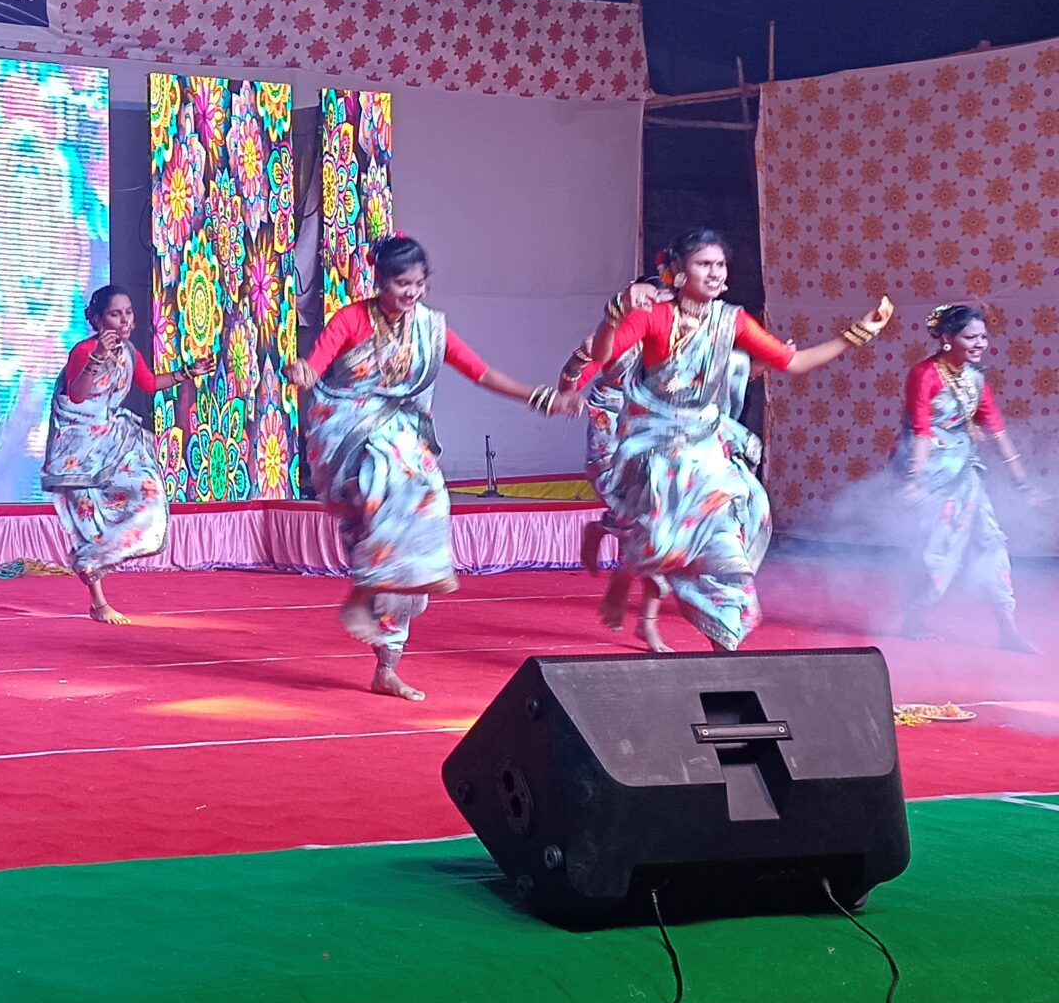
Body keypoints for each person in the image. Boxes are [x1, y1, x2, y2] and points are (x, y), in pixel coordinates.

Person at [565, 228, 892, 651]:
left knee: (729, 560)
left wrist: (854, 334)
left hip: (707, 452)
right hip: (653, 448)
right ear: (679, 271)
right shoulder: (652, 317)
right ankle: (626, 569)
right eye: (704, 264)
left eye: (720, 265)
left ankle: (726, 649)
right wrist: (613, 314)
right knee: (662, 545)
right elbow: (605, 355)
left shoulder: (731, 320)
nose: (716, 273)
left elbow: (791, 362)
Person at [286, 237, 568, 701]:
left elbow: (479, 372)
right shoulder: (352, 319)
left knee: (426, 508)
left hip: (401, 433)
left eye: (419, 283)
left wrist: (538, 397)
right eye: (401, 283)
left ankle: (386, 664)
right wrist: (306, 372)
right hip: (348, 429)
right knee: (392, 475)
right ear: (380, 282)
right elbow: (317, 363)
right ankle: (363, 590)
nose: (411, 292)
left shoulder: (431, 329)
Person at [45, 284, 207, 622]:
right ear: (99, 319)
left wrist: (188, 372)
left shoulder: (130, 351)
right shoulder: (83, 351)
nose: (124, 320)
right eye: (116, 314)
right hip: (76, 445)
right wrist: (97, 358)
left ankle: (114, 552)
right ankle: (98, 601)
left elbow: (147, 383)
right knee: (89, 520)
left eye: (128, 312)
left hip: (111, 437)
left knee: (149, 488)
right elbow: (76, 396)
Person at [896, 303, 1035, 652]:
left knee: (991, 541)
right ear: (946, 338)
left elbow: (996, 429)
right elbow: (921, 430)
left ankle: (1008, 628)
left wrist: (1022, 482)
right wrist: (914, 480)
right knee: (938, 549)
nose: (980, 344)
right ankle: (914, 617)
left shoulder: (975, 378)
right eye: (970, 337)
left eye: (984, 336)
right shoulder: (924, 374)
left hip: (966, 474)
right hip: (930, 472)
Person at [558, 263, 668, 651]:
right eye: (645, 300)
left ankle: (649, 623)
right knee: (630, 511)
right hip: (612, 422)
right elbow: (572, 380)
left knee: (662, 527)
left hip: (657, 426)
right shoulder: (614, 337)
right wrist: (574, 371)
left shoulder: (680, 337)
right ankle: (604, 526)